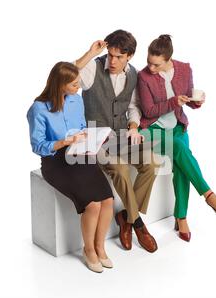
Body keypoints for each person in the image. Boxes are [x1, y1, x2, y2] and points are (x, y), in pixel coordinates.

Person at [74, 30, 159, 253]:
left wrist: (133, 126)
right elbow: (67, 76)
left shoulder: (134, 76)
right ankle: (138, 224)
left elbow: (133, 107)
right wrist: (90, 52)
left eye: (119, 56)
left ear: (129, 56)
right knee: (120, 170)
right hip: (96, 138)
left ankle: (126, 217)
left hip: (122, 135)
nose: (112, 61)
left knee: (151, 164)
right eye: (110, 55)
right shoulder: (93, 67)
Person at [138, 35, 216, 242]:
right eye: (149, 62)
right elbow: (148, 110)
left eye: (156, 64)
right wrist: (173, 102)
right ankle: (208, 194)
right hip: (151, 129)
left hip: (177, 126)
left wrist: (197, 102)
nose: (151, 67)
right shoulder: (144, 77)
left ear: (169, 59)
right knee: (180, 148)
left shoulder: (185, 69)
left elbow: (188, 99)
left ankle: (181, 216)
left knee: (181, 165)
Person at [27, 62, 114, 273]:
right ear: (61, 84)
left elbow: (82, 127)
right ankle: (89, 250)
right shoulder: (38, 109)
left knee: (108, 200)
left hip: (80, 153)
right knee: (92, 205)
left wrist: (91, 138)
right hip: (56, 161)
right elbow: (37, 146)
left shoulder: (76, 99)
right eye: (74, 84)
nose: (78, 87)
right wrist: (64, 142)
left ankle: (101, 247)